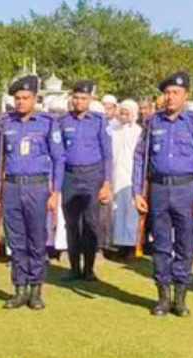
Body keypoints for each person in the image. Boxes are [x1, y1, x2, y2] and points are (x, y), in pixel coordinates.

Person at [132, 71, 193, 317]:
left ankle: (180, 297)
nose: (170, 97)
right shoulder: (152, 122)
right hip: (159, 189)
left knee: (185, 245)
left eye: (175, 93)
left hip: (186, 189)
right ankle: (163, 297)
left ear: (186, 95)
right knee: (161, 245)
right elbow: (139, 158)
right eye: (166, 93)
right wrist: (137, 191)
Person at [0, 75, 64, 310]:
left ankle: (36, 290)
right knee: (16, 240)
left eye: (25, 98)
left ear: (35, 98)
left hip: (38, 186)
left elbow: (58, 158)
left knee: (37, 240)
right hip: (11, 187)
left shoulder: (47, 123)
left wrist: (56, 191)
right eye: (17, 98)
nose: (20, 102)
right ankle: (19, 289)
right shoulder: (5, 123)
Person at [58, 80, 112, 281]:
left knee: (90, 223)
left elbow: (107, 154)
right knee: (71, 224)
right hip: (70, 177)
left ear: (90, 99)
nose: (79, 101)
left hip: (92, 176)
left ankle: (89, 269)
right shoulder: (63, 122)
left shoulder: (98, 121)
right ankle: (74, 268)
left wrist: (107, 182)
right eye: (76, 97)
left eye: (83, 98)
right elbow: (59, 153)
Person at [110, 99, 142, 254]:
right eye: (121, 112)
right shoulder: (112, 130)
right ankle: (115, 243)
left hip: (131, 176)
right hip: (115, 174)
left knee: (130, 210)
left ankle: (129, 246)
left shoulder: (138, 131)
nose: (123, 115)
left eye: (127, 112)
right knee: (115, 209)